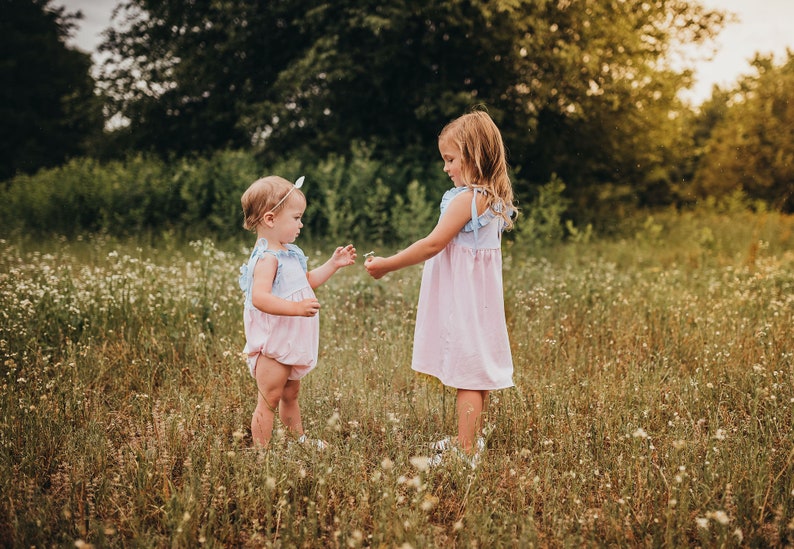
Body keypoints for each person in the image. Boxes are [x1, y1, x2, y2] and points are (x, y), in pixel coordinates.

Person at [365, 110, 516, 468]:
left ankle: (464, 454)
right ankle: (469, 440)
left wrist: (387, 264)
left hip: (465, 300)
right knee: (475, 368)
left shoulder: (468, 199)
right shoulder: (486, 197)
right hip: (477, 299)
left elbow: (432, 244)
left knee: (467, 369)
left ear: (474, 154)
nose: (446, 168)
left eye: (450, 159)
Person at [239, 175, 356, 448]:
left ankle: (297, 440)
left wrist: (333, 264)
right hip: (274, 342)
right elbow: (259, 298)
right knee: (268, 398)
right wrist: (295, 308)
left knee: (291, 393)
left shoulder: (289, 253)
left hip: (291, 338)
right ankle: (262, 454)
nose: (300, 223)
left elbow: (306, 282)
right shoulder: (267, 258)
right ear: (270, 219)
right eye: (296, 217)